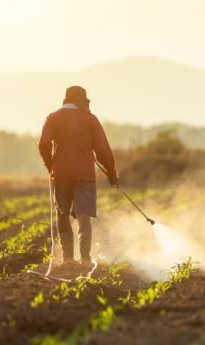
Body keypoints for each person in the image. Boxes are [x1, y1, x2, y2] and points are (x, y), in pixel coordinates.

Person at [38, 85, 118, 269]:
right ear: (81, 101)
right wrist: (111, 173)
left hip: (61, 175)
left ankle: (67, 259)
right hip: (84, 175)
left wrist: (51, 167)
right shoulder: (90, 119)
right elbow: (102, 151)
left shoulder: (52, 117)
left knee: (62, 214)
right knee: (83, 216)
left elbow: (43, 145)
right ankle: (85, 259)